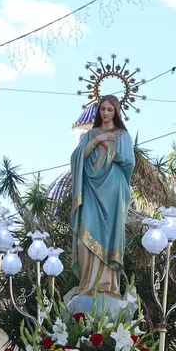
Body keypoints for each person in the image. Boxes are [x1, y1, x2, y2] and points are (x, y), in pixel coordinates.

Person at [69, 94, 135, 297]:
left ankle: (107, 284)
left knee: (109, 236)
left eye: (110, 109)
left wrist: (109, 147)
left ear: (116, 111)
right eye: (102, 109)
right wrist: (96, 141)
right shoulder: (90, 135)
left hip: (113, 189)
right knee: (84, 237)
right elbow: (76, 157)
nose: (105, 113)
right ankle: (87, 284)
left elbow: (129, 162)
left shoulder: (122, 135)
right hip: (91, 188)